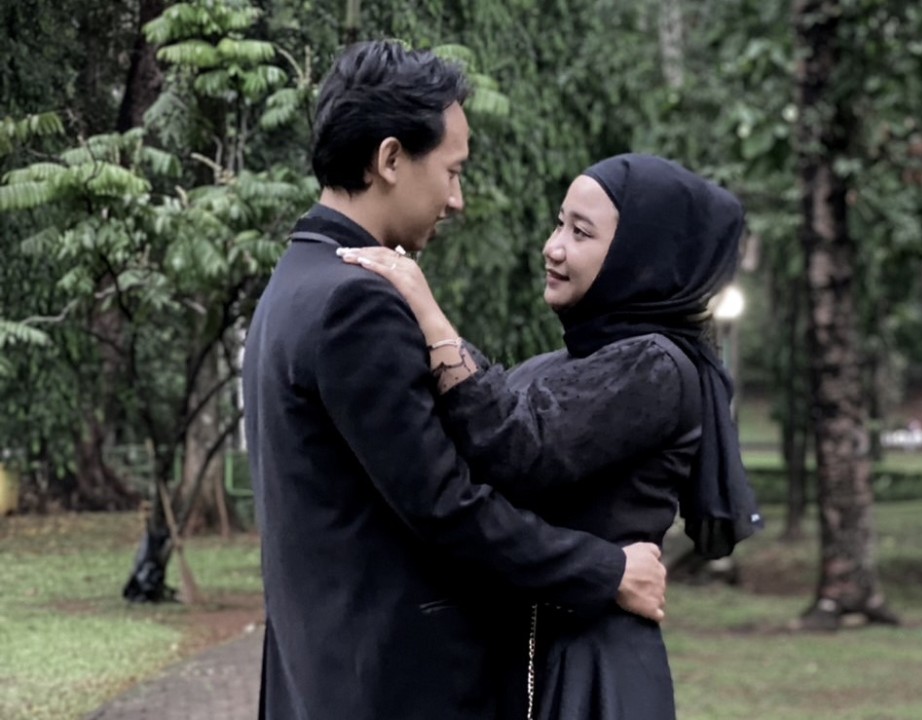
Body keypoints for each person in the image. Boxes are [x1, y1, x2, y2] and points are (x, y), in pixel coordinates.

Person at [242, 42, 668, 720]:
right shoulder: (357, 302)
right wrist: (607, 570)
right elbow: (445, 506)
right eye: (452, 171)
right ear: (390, 159)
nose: (457, 200)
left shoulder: (295, 281)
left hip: (326, 679)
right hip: (394, 691)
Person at [340, 153, 763, 720]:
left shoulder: (655, 366)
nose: (553, 247)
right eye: (560, 223)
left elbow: (514, 447)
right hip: (529, 653)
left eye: (580, 233)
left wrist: (427, 313)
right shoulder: (565, 366)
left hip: (591, 670)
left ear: (641, 255)